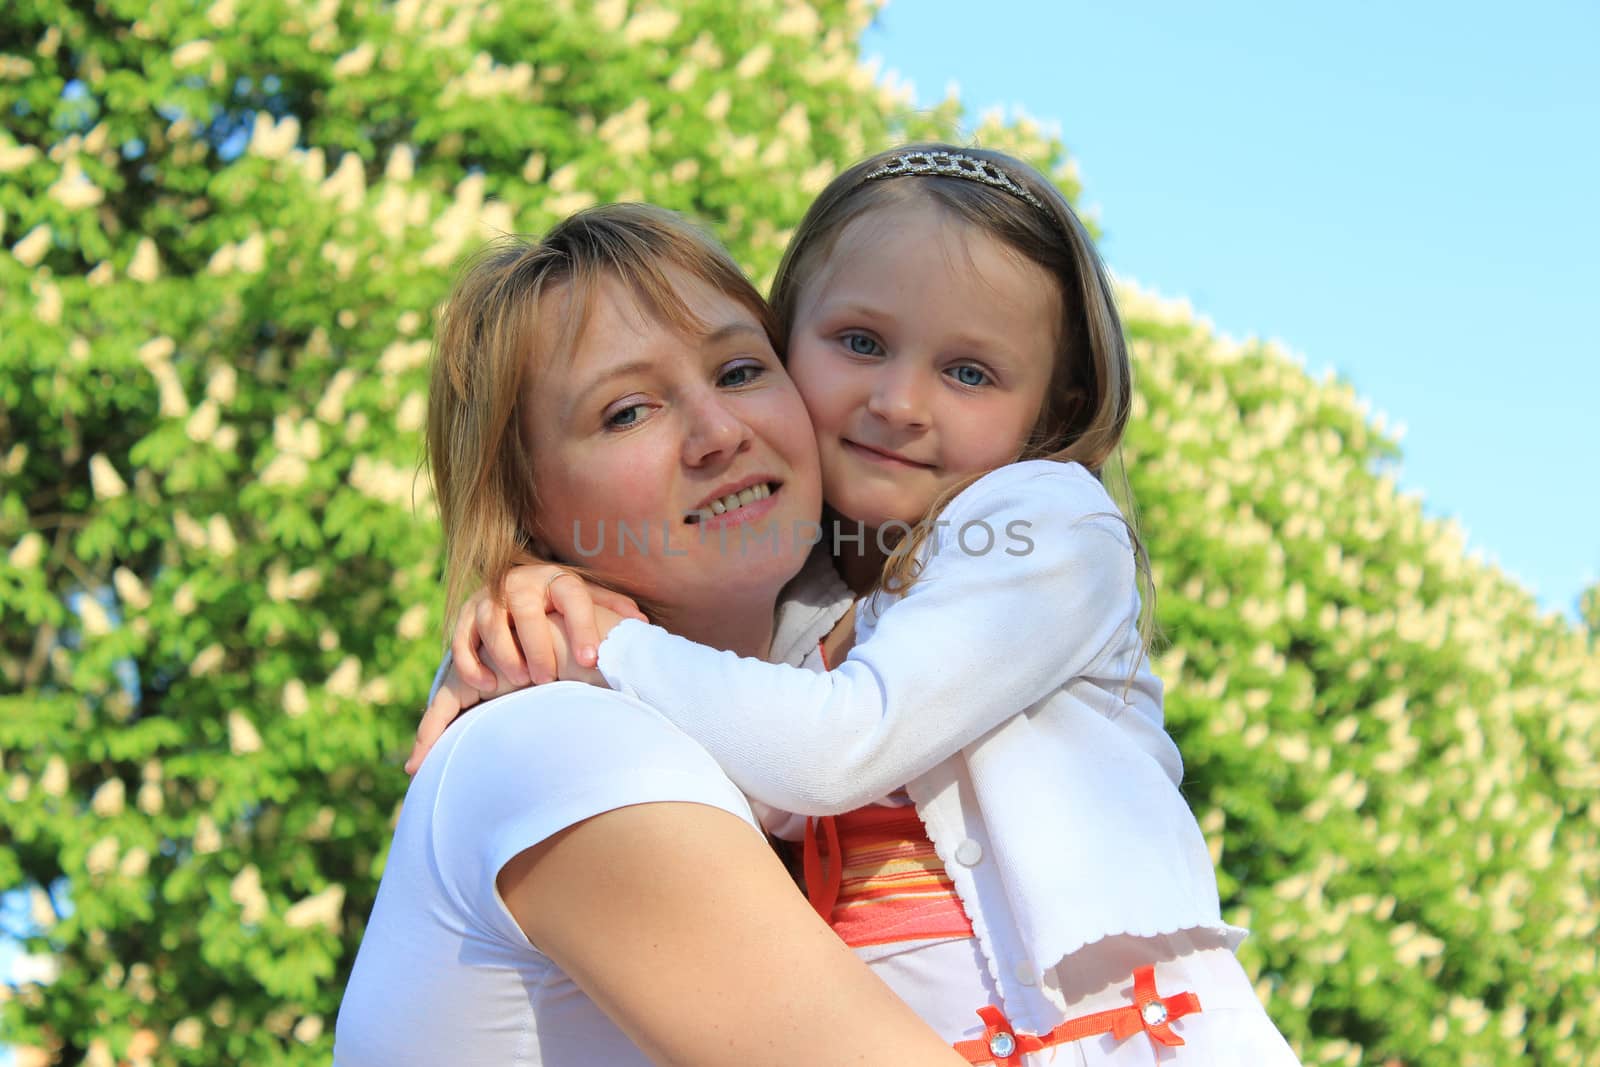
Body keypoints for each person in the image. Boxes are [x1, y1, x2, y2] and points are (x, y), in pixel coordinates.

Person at [417, 145, 1301, 1065]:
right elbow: (714, 764)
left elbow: (831, 748)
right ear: (792, 338)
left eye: (970, 373)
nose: (899, 401)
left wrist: (600, 645)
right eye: (861, 343)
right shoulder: (816, 605)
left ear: (1050, 409)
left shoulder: (1045, 521)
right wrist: (518, 633)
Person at [332, 203, 974, 1066]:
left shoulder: (843, 721)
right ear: (526, 505)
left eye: (743, 370)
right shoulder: (558, 743)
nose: (719, 434)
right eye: (628, 412)